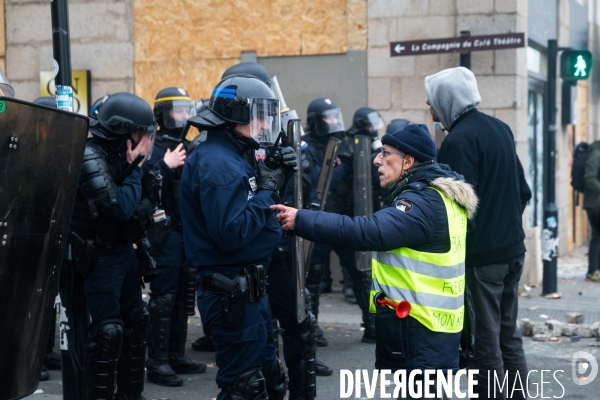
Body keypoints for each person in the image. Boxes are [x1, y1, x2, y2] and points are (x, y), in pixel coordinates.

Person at [272, 124, 477, 397]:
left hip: (421, 332)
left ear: (408, 161)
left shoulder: (421, 202)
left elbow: (369, 232)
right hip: (434, 331)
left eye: (385, 153)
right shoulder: (439, 196)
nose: (376, 160)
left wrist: (301, 219)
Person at [180, 74, 294, 400]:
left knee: (267, 379)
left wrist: (273, 173)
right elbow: (232, 233)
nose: (264, 124)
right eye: (258, 115)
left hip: (248, 290)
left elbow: (253, 210)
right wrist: (269, 187)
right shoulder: (218, 163)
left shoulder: (233, 155)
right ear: (236, 115)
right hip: (233, 291)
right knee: (244, 387)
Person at [425, 66, 531, 399]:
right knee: (507, 335)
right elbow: (523, 191)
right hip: (513, 251)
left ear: (446, 100)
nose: (429, 108)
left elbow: (455, 211)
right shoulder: (500, 128)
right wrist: (505, 226)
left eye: (432, 100)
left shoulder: (457, 141)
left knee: (484, 343)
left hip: (483, 260)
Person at [68, 92, 155, 400]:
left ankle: (131, 395)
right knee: (108, 334)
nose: (146, 140)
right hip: (101, 256)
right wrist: (135, 171)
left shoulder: (122, 157)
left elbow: (146, 205)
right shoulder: (92, 156)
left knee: (136, 321)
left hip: (123, 251)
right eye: (140, 133)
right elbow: (119, 209)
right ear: (121, 130)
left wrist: (136, 172)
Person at [144, 87, 207, 386]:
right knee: (164, 298)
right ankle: (157, 362)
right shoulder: (153, 147)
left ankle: (176, 354)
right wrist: (163, 166)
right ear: (162, 113)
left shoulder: (190, 145)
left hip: (187, 232)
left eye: (186, 109)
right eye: (177, 110)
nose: (184, 115)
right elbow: (141, 187)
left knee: (183, 296)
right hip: (163, 233)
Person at [303, 98, 376, 344]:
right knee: (312, 277)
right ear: (316, 120)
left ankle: (372, 325)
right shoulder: (307, 147)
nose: (334, 122)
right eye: (328, 117)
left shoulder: (345, 143)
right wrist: (341, 165)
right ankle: (310, 329)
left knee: (359, 271)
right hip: (319, 220)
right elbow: (318, 182)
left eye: (336, 116)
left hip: (345, 219)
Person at [583, 140, 600, 282]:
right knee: (596, 236)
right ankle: (592, 270)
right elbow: (589, 178)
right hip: (595, 203)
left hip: (596, 202)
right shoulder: (596, 154)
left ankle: (595, 270)